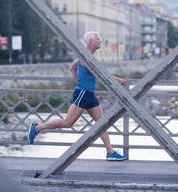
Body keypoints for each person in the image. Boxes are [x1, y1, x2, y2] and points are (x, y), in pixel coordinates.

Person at [28, 31, 128, 161]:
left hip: (89, 94)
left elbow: (72, 68)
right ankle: (37, 127)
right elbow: (101, 74)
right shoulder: (86, 57)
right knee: (68, 123)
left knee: (102, 123)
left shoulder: (84, 57)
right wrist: (119, 80)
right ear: (91, 41)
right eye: (98, 39)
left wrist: (78, 81)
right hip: (83, 94)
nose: (100, 41)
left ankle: (110, 152)